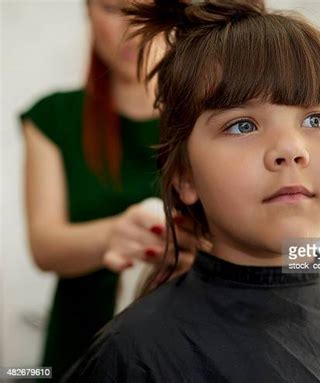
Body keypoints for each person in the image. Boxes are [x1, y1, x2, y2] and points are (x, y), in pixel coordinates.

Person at [61, 0, 320, 382]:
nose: (291, 149)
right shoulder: (132, 353)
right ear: (185, 176)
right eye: (243, 125)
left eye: (315, 119)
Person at [19, 0, 202, 381]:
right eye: (114, 8)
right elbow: (45, 245)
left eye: (149, 8)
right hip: (77, 347)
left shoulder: (206, 117)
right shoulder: (53, 118)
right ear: (87, 11)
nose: (133, 26)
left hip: (186, 346)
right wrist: (116, 233)